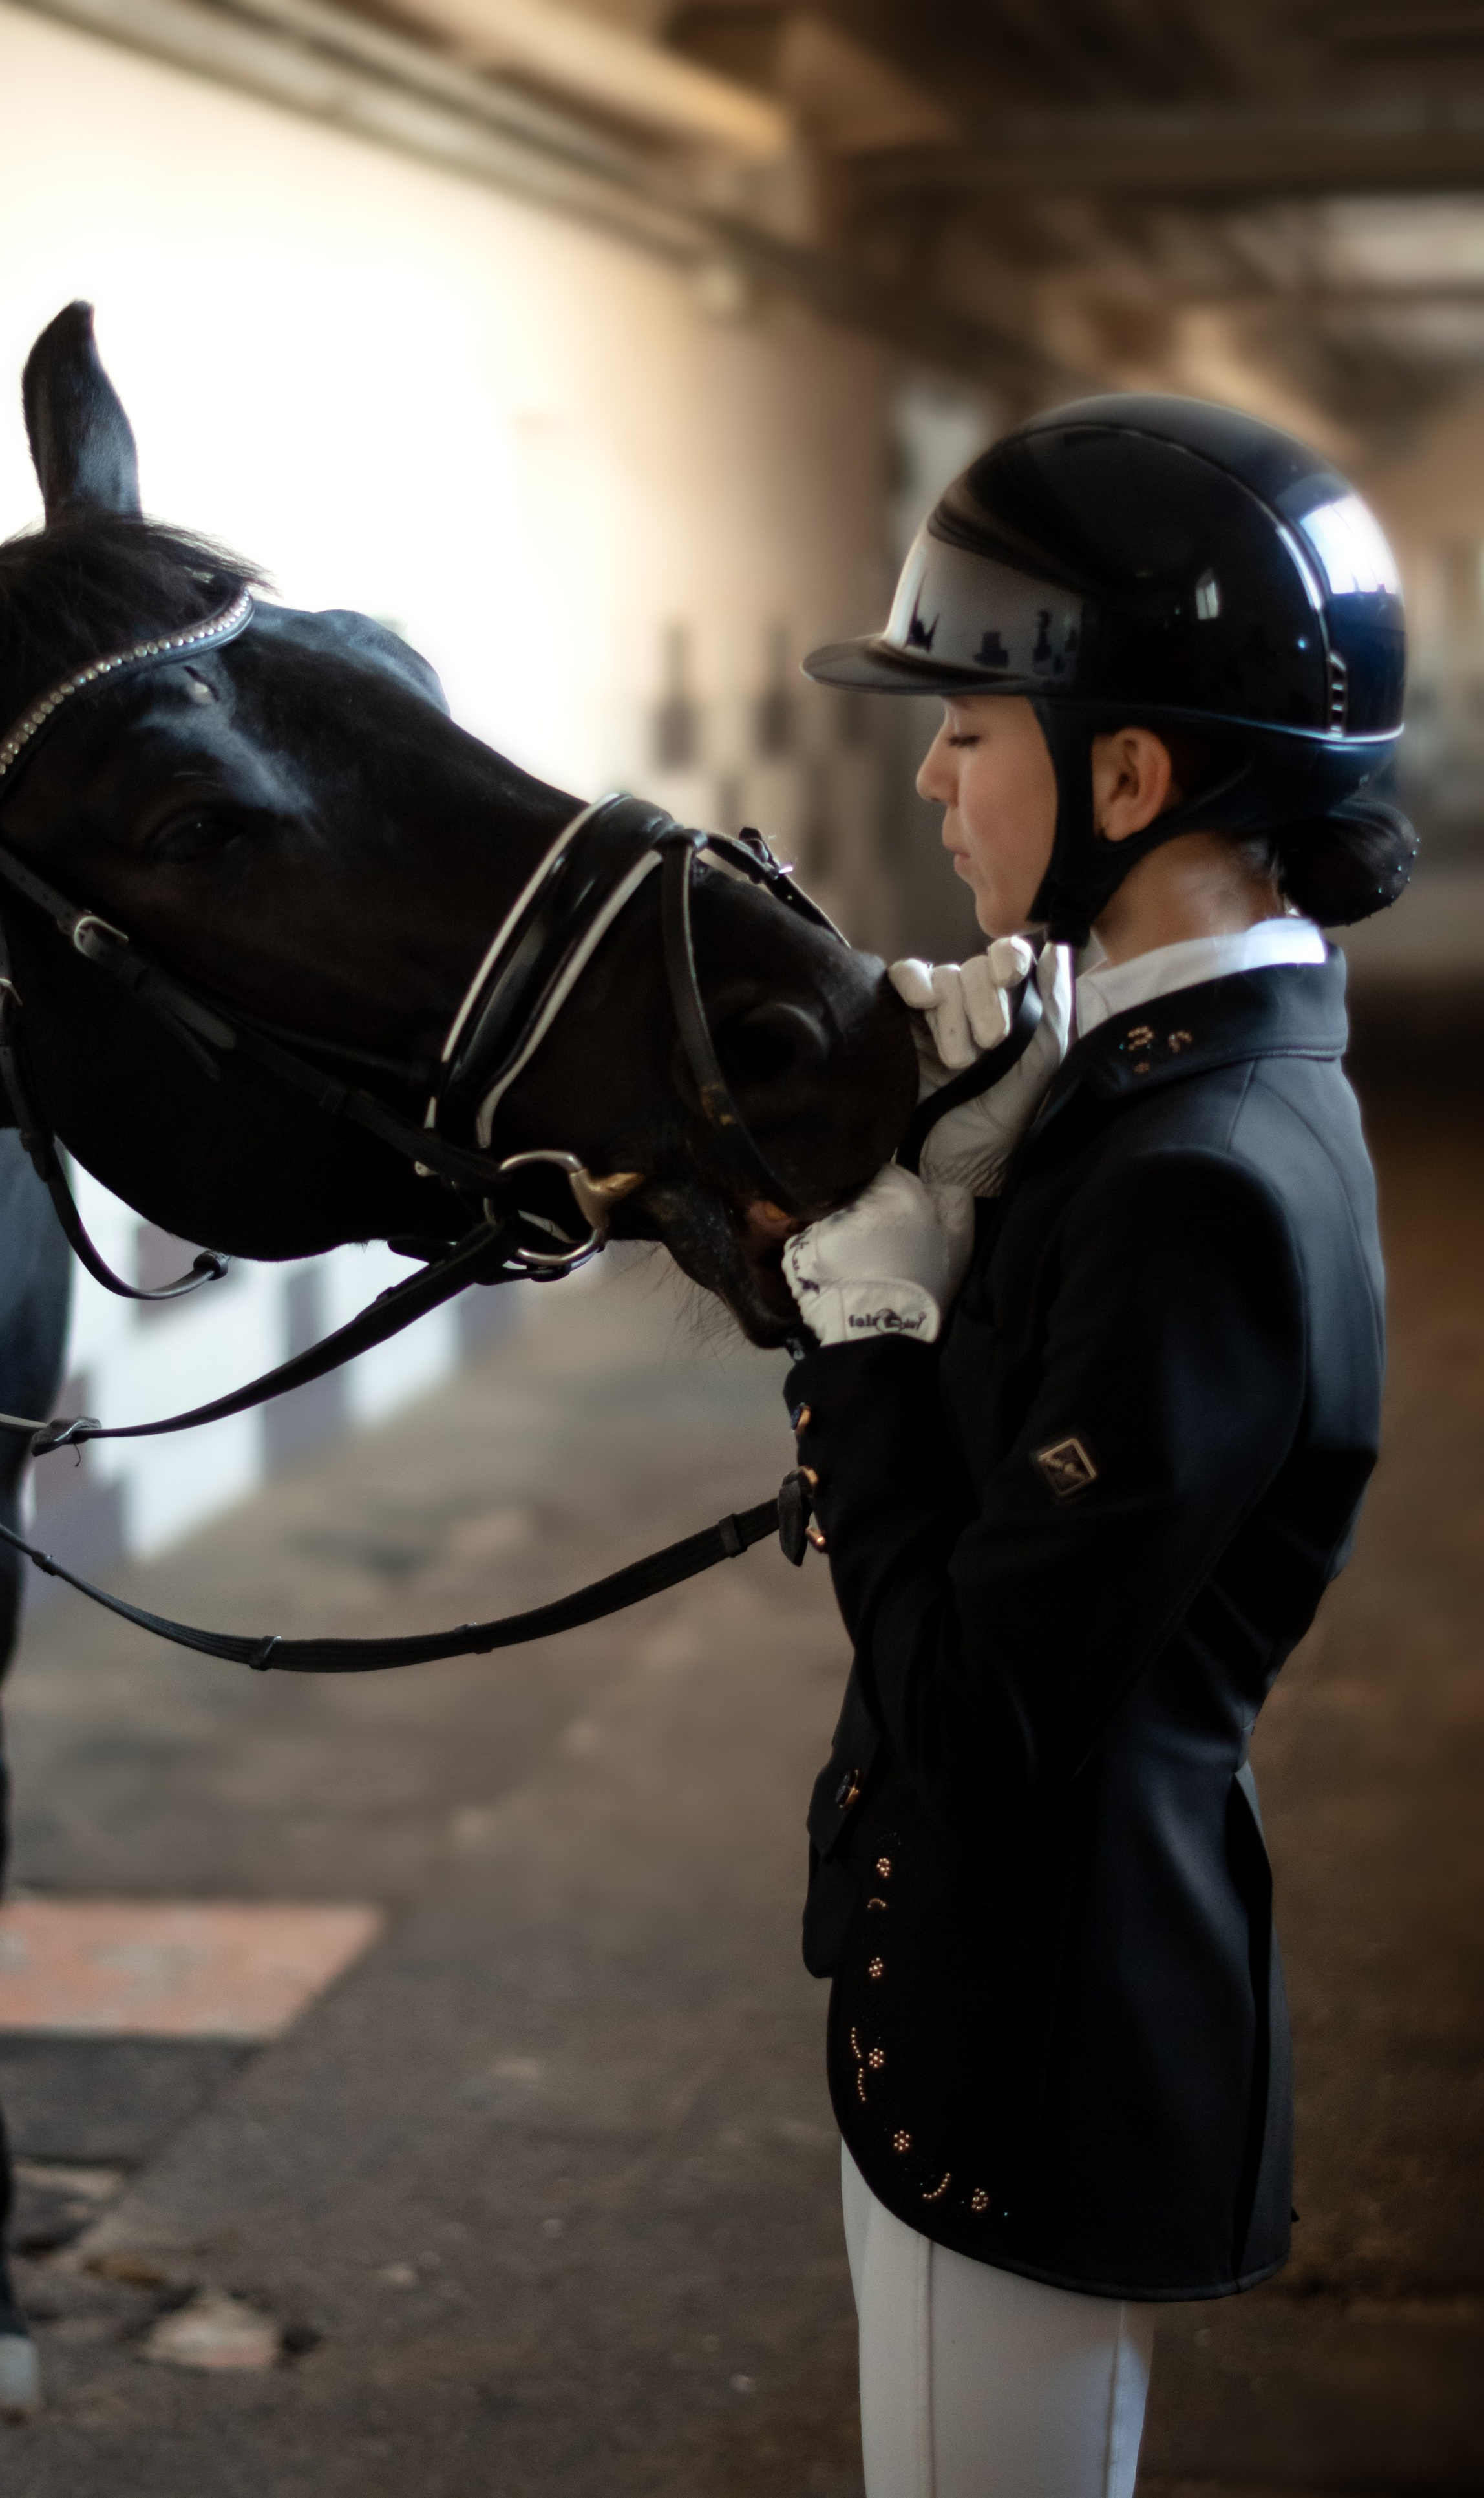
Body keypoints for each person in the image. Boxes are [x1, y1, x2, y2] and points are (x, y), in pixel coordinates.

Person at [781, 394, 1412, 2498]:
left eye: (972, 725)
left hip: (1033, 2020)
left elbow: (978, 1710)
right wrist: (977, 1192)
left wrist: (868, 1320)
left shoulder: (1201, 1174)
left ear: (1132, 776)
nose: (934, 770)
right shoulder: (1162, 1098)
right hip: (998, 1987)